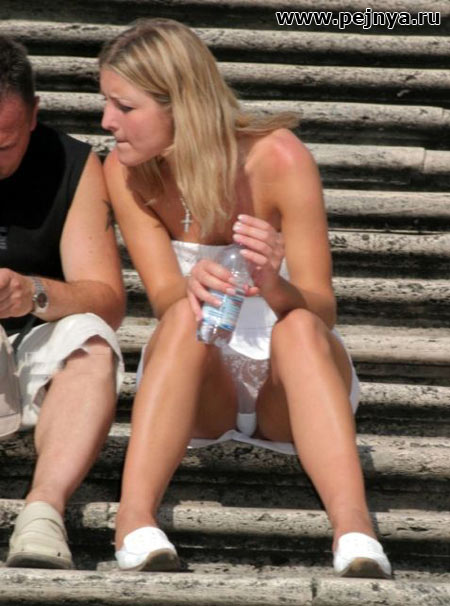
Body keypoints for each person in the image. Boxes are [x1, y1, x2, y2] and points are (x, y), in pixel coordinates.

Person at [99, 18, 392, 578]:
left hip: (291, 377)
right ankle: (133, 519)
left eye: (125, 106)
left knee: (299, 325)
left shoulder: (279, 158)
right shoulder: (126, 170)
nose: (107, 121)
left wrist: (275, 284)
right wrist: (189, 286)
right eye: (106, 102)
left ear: (181, 105)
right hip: (201, 373)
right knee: (183, 316)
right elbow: (163, 296)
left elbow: (323, 309)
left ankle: (355, 530)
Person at [0, 36, 126, 570]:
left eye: (2, 145)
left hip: (30, 344)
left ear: (34, 115)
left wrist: (32, 292)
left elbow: (107, 299)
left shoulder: (72, 164)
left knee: (93, 342)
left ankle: (43, 513)